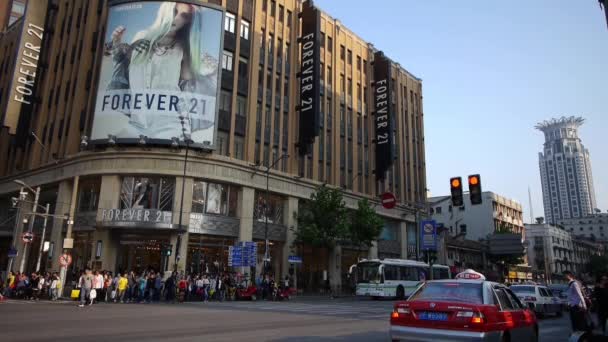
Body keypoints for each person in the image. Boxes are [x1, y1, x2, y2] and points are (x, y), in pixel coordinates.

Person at [100, 2, 217, 140]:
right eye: (174, 11)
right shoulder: (141, 37)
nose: (177, 18)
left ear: (187, 23)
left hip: (169, 123)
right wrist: (116, 43)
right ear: (165, 11)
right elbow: (123, 64)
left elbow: (189, 79)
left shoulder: (184, 49)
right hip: (137, 122)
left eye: (184, 16)